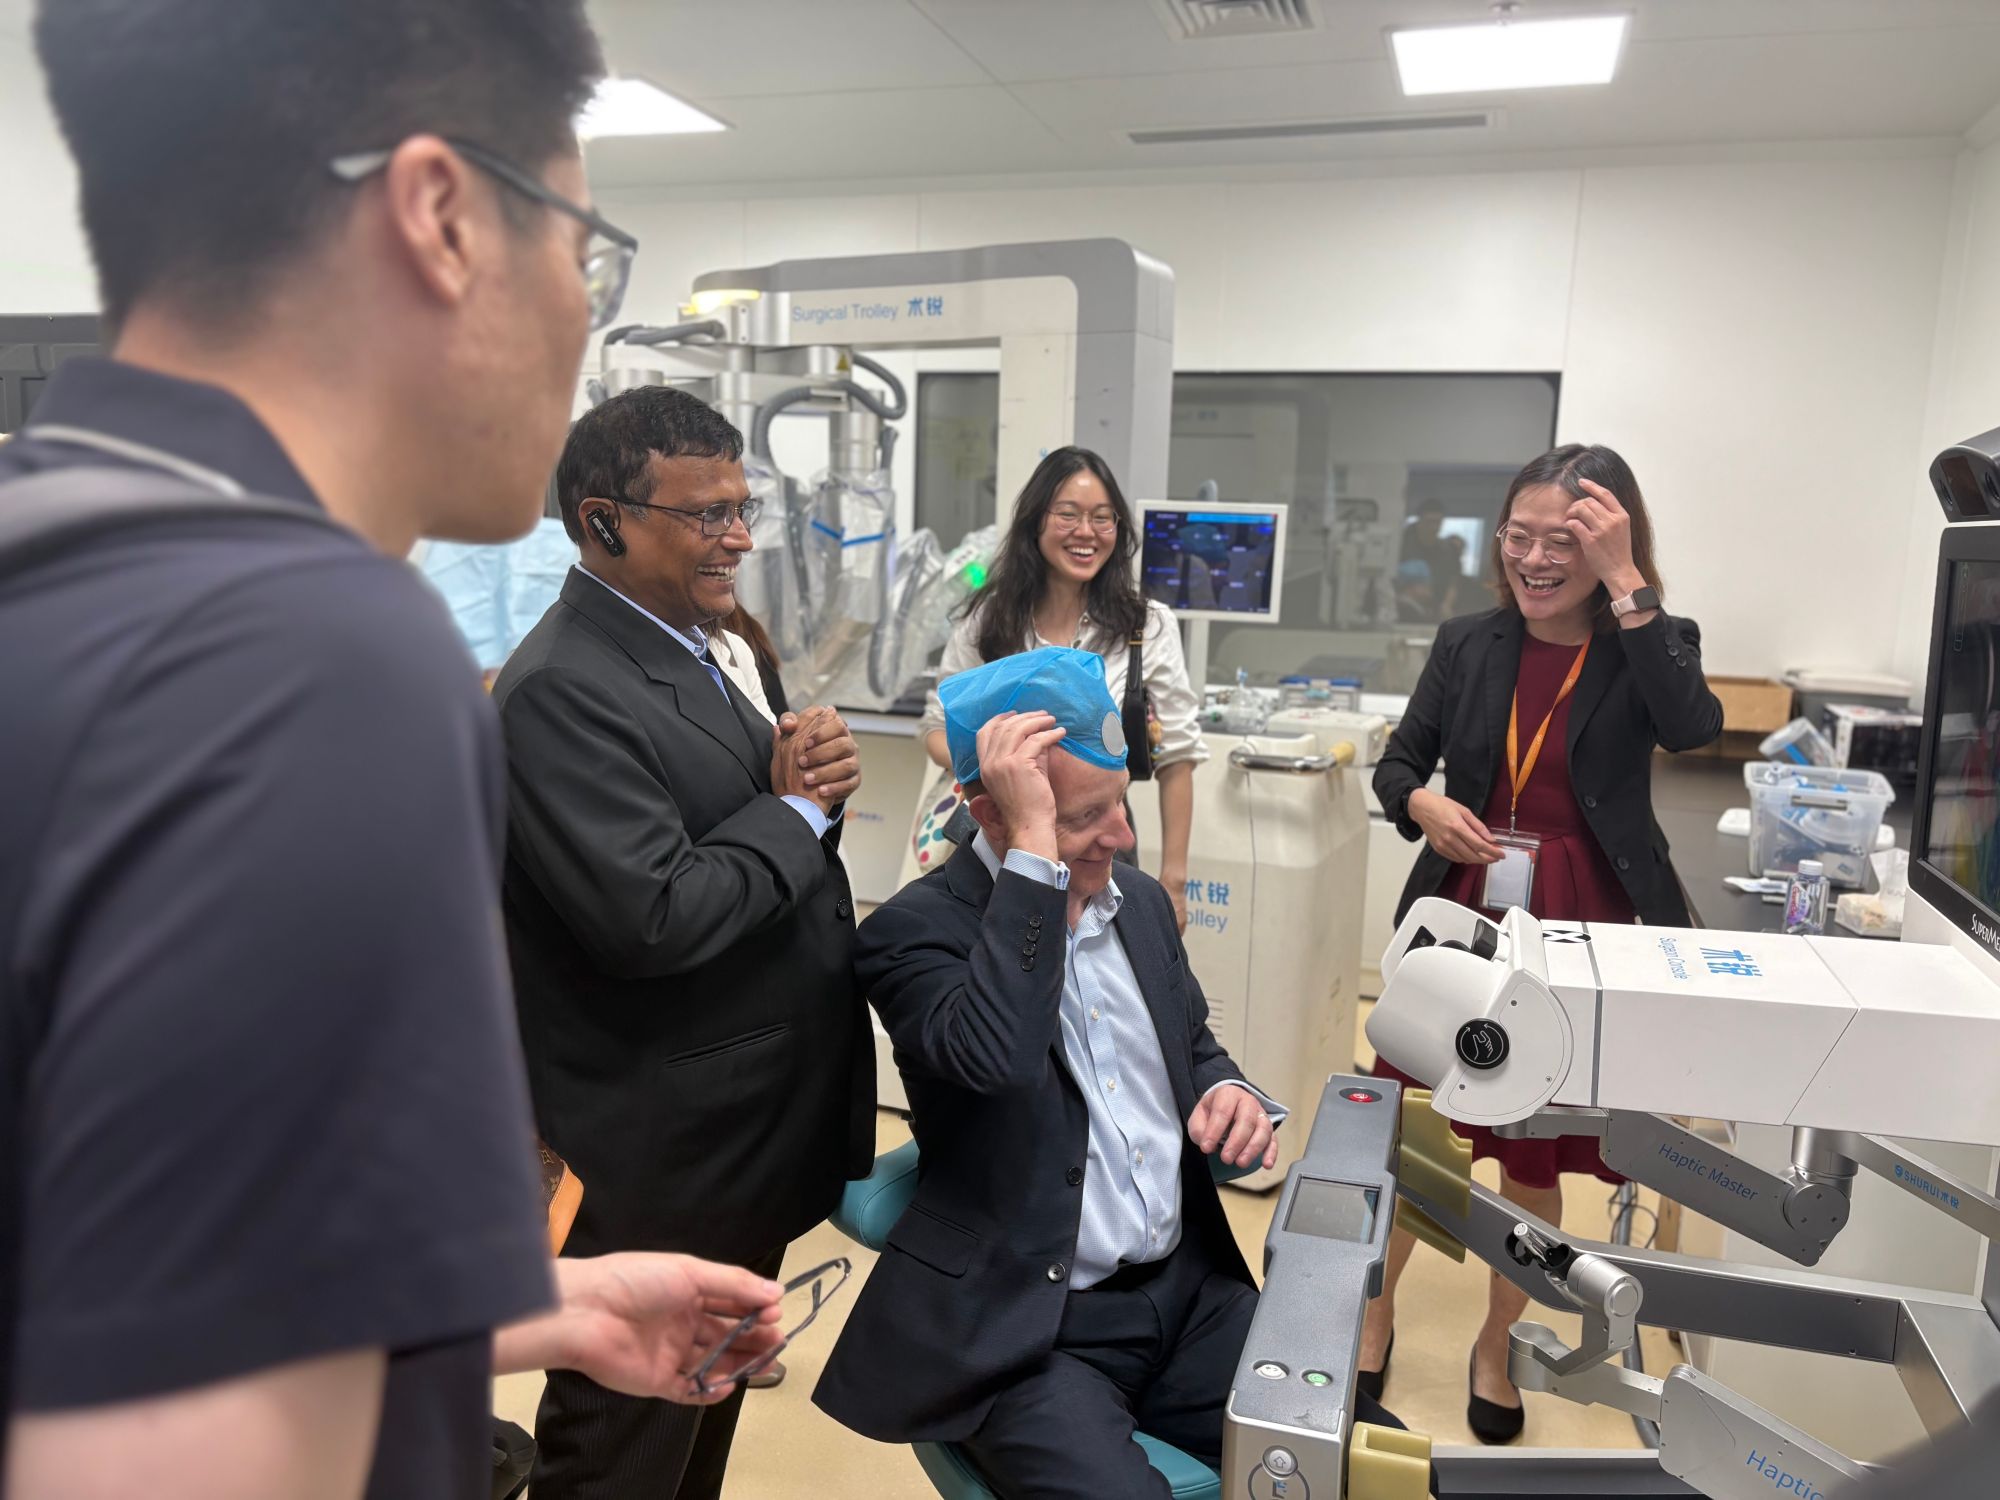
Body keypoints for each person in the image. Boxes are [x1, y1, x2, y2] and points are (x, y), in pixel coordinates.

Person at [1, 3, 788, 1496]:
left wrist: (521, 1310)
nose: (577, 319)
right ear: (440, 216)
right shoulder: (317, 655)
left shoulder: (57, 556)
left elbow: (140, 1266)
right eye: (583, 254)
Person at [819, 647, 1417, 1498]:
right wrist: (1036, 860)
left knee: (1374, 1465)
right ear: (993, 816)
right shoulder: (912, 935)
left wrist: (1227, 1091)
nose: (1123, 836)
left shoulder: (1135, 906)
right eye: (1082, 816)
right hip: (1030, 1331)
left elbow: (1192, 1045)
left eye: (1119, 802)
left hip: (1186, 1296)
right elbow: (999, 1057)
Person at [495, 384, 875, 1500]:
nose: (739, 537)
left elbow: (753, 821)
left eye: (742, 508)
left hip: (742, 1134)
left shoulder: (707, 648)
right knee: (622, 1458)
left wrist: (816, 788)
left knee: (696, 1431)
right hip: (663, 1162)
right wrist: (795, 810)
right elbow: (653, 915)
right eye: (707, 514)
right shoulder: (560, 689)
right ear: (602, 522)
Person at [1365, 443, 1723, 1442]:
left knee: (1532, 1149)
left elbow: (1693, 727)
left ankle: (1497, 1342)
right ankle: (1375, 1313)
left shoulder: (1647, 638)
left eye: (1561, 541)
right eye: (1516, 537)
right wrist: (1422, 804)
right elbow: (1398, 765)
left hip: (1580, 921)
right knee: (1415, 1130)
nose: (1531, 559)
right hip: (1465, 913)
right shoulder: (1467, 642)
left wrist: (1629, 586)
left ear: (1609, 543)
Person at [921, 446, 1207, 930]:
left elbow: (1178, 758)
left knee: (1100, 964)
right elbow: (936, 726)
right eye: (1068, 514)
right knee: (1005, 961)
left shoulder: (1146, 625)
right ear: (1036, 521)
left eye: (1102, 517)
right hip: (999, 837)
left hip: (1101, 839)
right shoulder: (989, 619)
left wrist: (1174, 882)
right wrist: (1002, 769)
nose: (1086, 532)